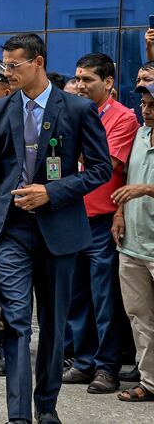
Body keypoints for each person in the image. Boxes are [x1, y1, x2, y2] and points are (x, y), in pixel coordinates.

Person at [0, 33, 112, 424]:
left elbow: (101, 169)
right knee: (16, 321)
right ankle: (18, 416)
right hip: (11, 231)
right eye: (5, 65)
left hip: (59, 230)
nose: (7, 72)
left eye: (14, 65)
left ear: (38, 62)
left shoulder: (78, 109)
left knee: (52, 323)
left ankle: (46, 407)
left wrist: (52, 193)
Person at [63, 53, 139, 394]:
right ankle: (83, 361)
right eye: (77, 79)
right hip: (71, 215)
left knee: (104, 297)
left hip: (103, 219)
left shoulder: (123, 118)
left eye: (87, 80)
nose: (80, 85)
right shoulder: (73, 113)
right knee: (76, 295)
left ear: (108, 82)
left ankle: (107, 367)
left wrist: (74, 145)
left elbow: (103, 165)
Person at [111, 82, 154, 403]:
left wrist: (146, 190)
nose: (146, 109)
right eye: (144, 103)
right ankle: (150, 382)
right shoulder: (140, 134)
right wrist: (120, 213)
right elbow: (127, 179)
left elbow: (137, 185)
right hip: (133, 243)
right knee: (140, 315)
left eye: (152, 104)